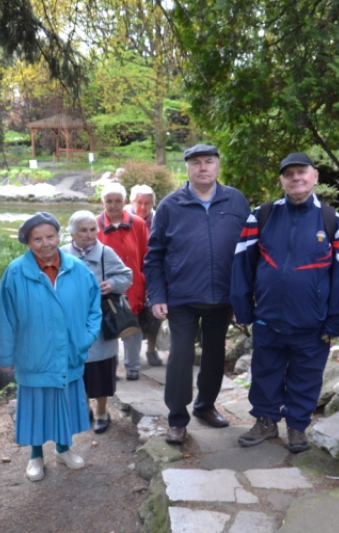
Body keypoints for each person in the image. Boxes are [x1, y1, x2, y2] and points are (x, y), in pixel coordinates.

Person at [231, 152, 339, 452]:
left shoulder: (332, 221)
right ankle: (265, 421)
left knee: (307, 376)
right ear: (282, 181)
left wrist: (337, 319)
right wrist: (243, 308)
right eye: (289, 174)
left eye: (302, 172)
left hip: (313, 324)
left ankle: (298, 426)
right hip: (267, 318)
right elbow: (241, 263)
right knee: (264, 373)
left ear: (315, 176)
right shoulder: (262, 215)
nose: (296, 178)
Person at [144, 143, 250, 444]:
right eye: (196, 163)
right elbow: (153, 256)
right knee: (180, 355)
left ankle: (205, 406)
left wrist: (247, 293)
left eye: (209, 162)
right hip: (182, 297)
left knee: (215, 355)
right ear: (187, 168)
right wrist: (158, 295)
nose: (203, 168)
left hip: (223, 295)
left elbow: (250, 250)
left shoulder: (236, 201)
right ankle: (177, 418)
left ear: (217, 166)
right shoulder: (169, 206)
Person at [0, 212, 101, 482]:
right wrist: (4, 355)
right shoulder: (16, 272)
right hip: (33, 355)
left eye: (50, 236)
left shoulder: (77, 269)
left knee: (64, 404)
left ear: (59, 236)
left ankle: (64, 450)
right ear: (28, 242)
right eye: (37, 239)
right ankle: (35, 455)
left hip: (69, 354)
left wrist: (85, 339)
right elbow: (4, 318)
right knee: (36, 409)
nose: (45, 243)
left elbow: (94, 309)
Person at [61, 211, 132, 434]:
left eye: (93, 229)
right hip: (71, 322)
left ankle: (102, 411)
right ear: (72, 232)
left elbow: (127, 276)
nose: (89, 234)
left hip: (100, 322)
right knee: (77, 367)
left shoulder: (105, 253)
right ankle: (86, 409)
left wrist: (111, 284)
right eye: (83, 230)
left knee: (100, 369)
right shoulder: (61, 253)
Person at [96, 182, 149, 380]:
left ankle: (133, 366)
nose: (113, 205)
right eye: (109, 201)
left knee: (132, 326)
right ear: (102, 202)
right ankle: (110, 367)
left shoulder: (138, 224)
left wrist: (145, 280)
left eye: (118, 201)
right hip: (105, 286)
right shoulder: (95, 225)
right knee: (107, 326)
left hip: (133, 284)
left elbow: (146, 254)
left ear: (125, 202)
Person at [125, 184, 163, 367]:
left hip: (151, 270)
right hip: (130, 271)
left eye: (147, 203)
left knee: (154, 311)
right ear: (132, 202)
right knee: (128, 313)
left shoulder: (158, 219)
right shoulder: (124, 219)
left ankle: (151, 349)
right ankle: (129, 356)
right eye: (139, 202)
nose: (142, 207)